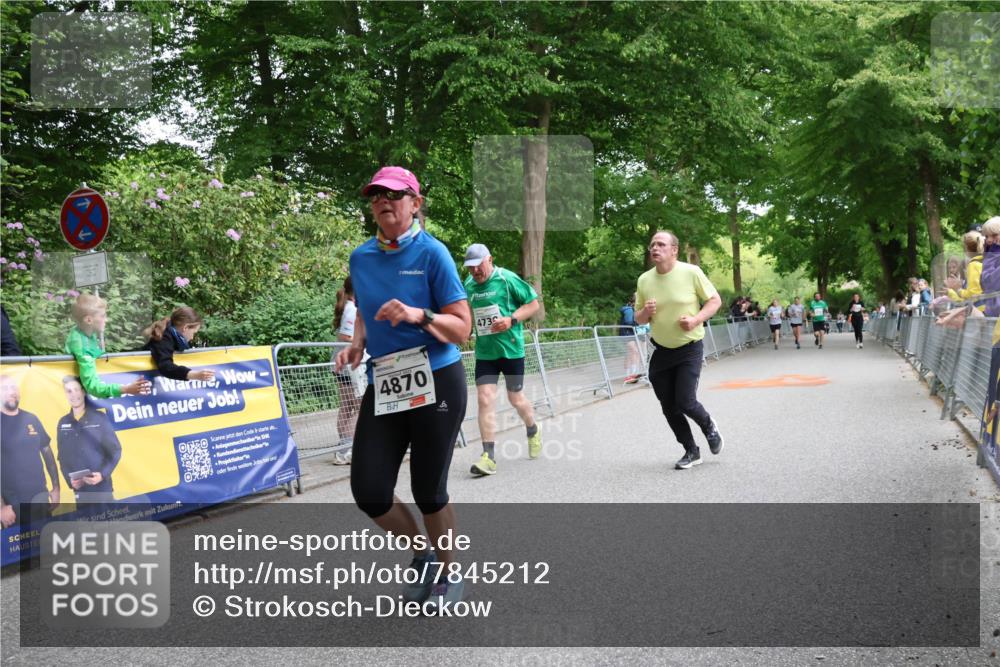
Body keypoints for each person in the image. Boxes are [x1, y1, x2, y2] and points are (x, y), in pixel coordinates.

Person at [335, 166, 471, 608]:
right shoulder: (361, 257)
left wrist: (420, 315)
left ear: (415, 203)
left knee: (428, 490)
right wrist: (357, 344)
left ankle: (450, 575)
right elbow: (365, 309)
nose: (383, 201)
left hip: (437, 379)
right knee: (369, 490)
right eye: (376, 195)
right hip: (388, 379)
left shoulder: (434, 254)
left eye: (394, 194)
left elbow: (463, 328)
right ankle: (423, 553)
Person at [635, 231, 724, 470]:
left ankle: (708, 426)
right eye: (653, 244)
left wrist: (696, 320)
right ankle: (691, 451)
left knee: (685, 401)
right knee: (668, 406)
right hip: (661, 350)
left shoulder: (691, 272)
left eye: (661, 244)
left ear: (674, 250)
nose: (655, 248)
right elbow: (638, 318)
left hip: (689, 348)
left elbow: (715, 301)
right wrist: (646, 311)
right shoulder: (644, 280)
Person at [463, 243, 542, 476]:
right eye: (470, 268)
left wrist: (511, 320)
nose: (475, 272)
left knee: (515, 398)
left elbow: (533, 304)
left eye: (479, 266)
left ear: (490, 259)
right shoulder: (468, 285)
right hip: (486, 353)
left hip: (511, 350)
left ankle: (532, 429)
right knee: (485, 398)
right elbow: (469, 311)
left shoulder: (506, 278)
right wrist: (465, 329)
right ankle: (488, 456)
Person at [1, 374, 60, 529]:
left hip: (40, 498)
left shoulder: (31, 419)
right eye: (5, 388)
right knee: (20, 551)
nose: (11, 392)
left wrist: (56, 488)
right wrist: (1, 506)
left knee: (45, 549)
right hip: (12, 506)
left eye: (13, 387)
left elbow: (47, 454)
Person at [56, 376, 121, 513]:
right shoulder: (63, 422)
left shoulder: (99, 418)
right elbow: (62, 458)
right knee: (88, 531)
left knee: (109, 530)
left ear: (83, 392)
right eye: (69, 391)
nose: (73, 395)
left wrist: (102, 474)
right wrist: (71, 482)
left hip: (102, 490)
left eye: (77, 390)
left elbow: (115, 450)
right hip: (81, 493)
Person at [65, 293, 150, 398]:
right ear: (88, 320)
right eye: (103, 316)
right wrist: (126, 389)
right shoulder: (82, 347)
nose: (107, 320)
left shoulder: (84, 332)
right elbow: (92, 386)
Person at [331, 275, 367, 465]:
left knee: (347, 407)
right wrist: (360, 342)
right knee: (358, 408)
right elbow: (346, 336)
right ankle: (348, 449)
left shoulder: (348, 307)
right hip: (351, 366)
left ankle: (343, 449)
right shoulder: (352, 309)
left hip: (343, 366)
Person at [143, 307, 216, 382]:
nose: (192, 337)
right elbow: (166, 366)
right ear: (186, 327)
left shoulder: (170, 334)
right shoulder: (163, 338)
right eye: (194, 333)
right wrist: (194, 375)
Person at [946, 232, 984, 309]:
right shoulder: (986, 261)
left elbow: (973, 294)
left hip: (979, 309)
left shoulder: (973, 265)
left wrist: (958, 290)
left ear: (966, 248)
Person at [977, 217, 1000, 316]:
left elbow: (990, 283)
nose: (989, 240)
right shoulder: (990, 254)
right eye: (986, 236)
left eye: (994, 235)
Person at [620, 294, 642, 384]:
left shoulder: (632, 309)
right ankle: (631, 374)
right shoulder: (628, 310)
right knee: (634, 351)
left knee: (630, 353)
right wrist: (639, 321)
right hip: (626, 334)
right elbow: (629, 321)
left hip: (630, 333)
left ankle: (630, 374)